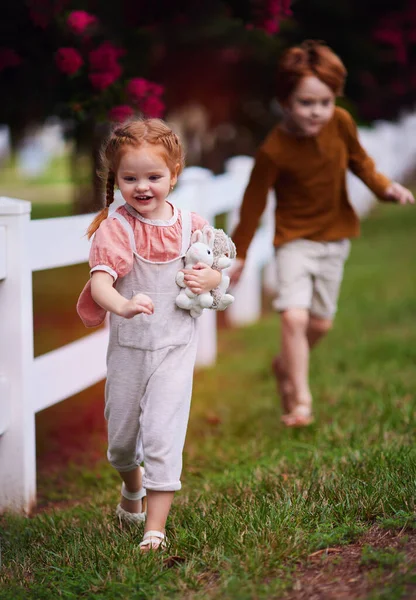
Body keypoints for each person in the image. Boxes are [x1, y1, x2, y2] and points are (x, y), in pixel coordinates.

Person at [230, 40, 414, 428]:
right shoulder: (274, 150)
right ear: (285, 101)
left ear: (335, 100)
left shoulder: (341, 125)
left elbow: (361, 163)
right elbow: (252, 203)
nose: (317, 112)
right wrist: (240, 253)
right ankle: (301, 401)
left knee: (320, 324)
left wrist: (386, 188)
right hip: (294, 240)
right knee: (293, 318)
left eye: (325, 102)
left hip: (335, 237)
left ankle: (284, 366)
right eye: (306, 103)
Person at [76, 118, 223, 551]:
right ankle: (132, 489)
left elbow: (219, 269)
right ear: (116, 179)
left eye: (154, 176)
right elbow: (101, 281)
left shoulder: (190, 225)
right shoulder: (116, 228)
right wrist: (122, 304)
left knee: (162, 433)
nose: (143, 187)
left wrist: (210, 279)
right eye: (130, 178)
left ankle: (154, 529)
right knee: (121, 445)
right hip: (129, 349)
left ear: (173, 175)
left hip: (175, 346)